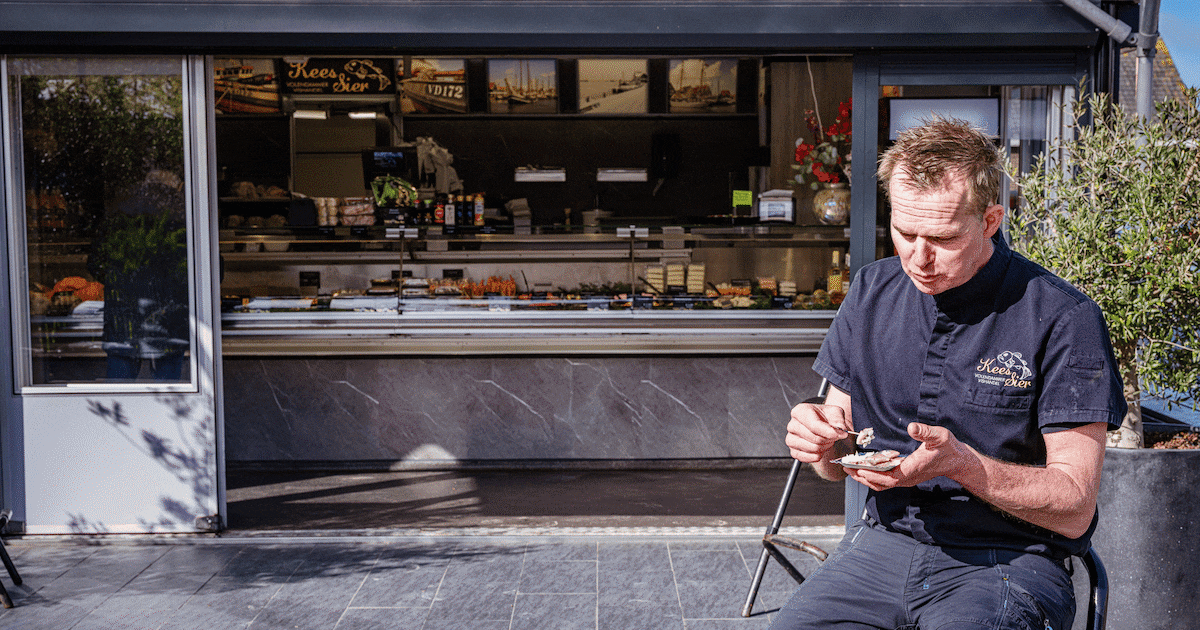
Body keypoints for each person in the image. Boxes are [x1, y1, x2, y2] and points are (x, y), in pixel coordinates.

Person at [772, 119, 1126, 630]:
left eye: (941, 237)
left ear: (989, 221)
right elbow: (835, 456)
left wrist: (960, 463)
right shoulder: (871, 291)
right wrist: (822, 444)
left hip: (1008, 561)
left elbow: (1074, 504)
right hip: (882, 544)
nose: (918, 257)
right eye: (904, 232)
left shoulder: (1063, 317)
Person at [88, 169, 190, 382]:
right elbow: (202, 270)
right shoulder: (185, 212)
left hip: (123, 317)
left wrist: (123, 283)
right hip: (169, 319)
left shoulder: (120, 210)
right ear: (176, 186)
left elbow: (96, 263)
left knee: (119, 390)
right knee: (169, 393)